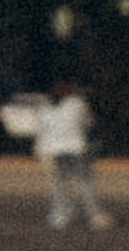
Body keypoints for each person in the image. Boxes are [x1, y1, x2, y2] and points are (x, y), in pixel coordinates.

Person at [35, 81, 111, 231]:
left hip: (54, 149)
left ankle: (59, 215)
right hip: (76, 147)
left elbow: (41, 128)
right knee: (84, 182)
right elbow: (88, 123)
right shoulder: (77, 105)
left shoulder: (45, 107)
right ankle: (95, 215)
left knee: (60, 183)